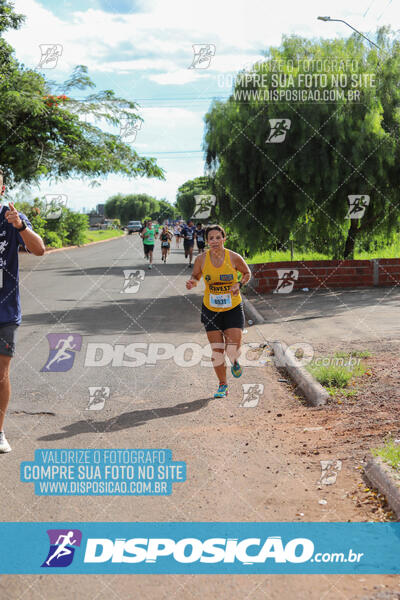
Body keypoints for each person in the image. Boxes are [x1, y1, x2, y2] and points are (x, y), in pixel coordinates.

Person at [0, 170, 46, 453]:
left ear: (2, 186)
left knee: (0, 373)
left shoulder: (11, 216)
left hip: (3, 310)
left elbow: (39, 249)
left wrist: (20, 227)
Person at [186, 224, 251, 398]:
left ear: (224, 238)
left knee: (233, 348)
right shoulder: (201, 259)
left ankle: (235, 360)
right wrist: (192, 281)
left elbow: (247, 273)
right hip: (211, 308)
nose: (214, 241)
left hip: (232, 308)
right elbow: (196, 275)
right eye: (210, 238)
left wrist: (239, 284)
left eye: (217, 237)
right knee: (217, 350)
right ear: (207, 241)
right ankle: (223, 385)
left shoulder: (234, 257)